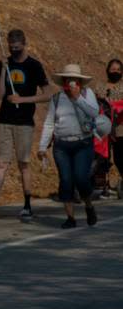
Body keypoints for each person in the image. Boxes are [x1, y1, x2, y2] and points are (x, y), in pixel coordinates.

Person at [0, 29, 56, 220]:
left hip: (24, 122)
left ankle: (27, 205)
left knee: (24, 163)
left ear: (24, 44)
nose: (14, 51)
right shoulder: (5, 63)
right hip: (5, 120)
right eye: (11, 47)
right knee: (2, 162)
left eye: (17, 48)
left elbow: (47, 94)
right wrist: (4, 69)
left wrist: (24, 99)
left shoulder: (34, 65)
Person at [38, 64, 101, 228]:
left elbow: (94, 113)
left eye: (74, 81)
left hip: (83, 143)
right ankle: (70, 217)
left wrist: (77, 98)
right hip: (62, 145)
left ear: (80, 82)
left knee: (81, 178)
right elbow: (49, 123)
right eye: (68, 80)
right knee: (66, 180)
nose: (71, 84)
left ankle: (89, 205)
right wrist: (42, 146)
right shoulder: (57, 98)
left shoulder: (88, 95)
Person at [103, 59, 123, 194]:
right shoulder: (100, 86)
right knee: (103, 157)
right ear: (107, 70)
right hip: (103, 128)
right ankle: (104, 185)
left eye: (118, 70)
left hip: (120, 128)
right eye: (112, 69)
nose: (115, 72)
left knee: (119, 157)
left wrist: (115, 105)